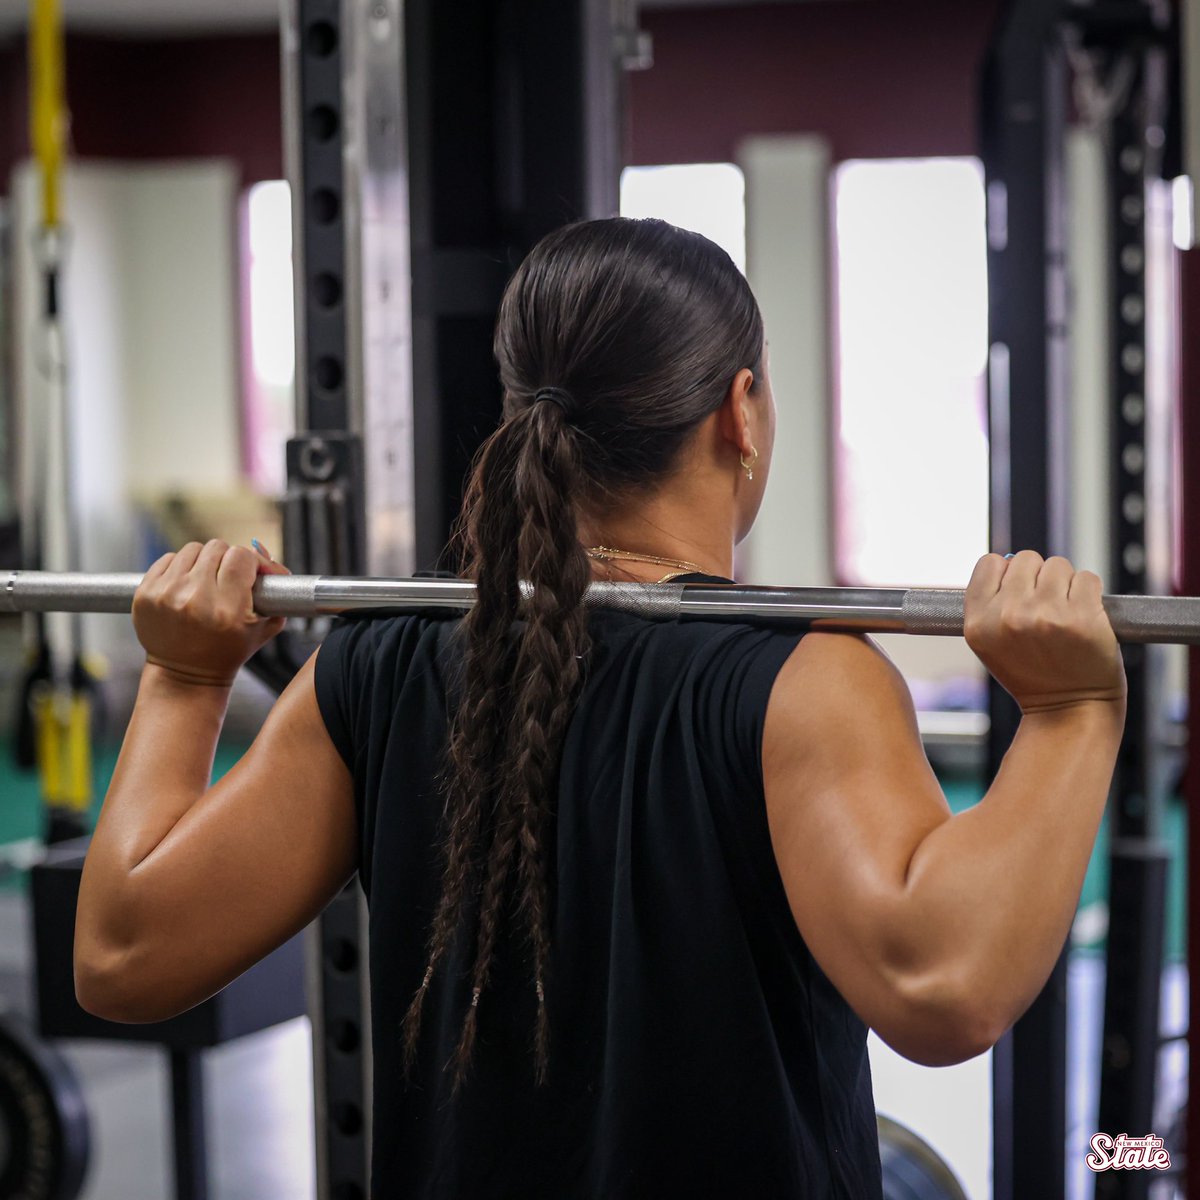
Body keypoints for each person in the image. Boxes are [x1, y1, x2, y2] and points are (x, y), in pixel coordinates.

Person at [74, 217, 1127, 1199]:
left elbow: (123, 960)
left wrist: (185, 674)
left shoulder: (374, 662)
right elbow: (942, 986)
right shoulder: (806, 681)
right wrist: (1072, 708)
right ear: (741, 411)